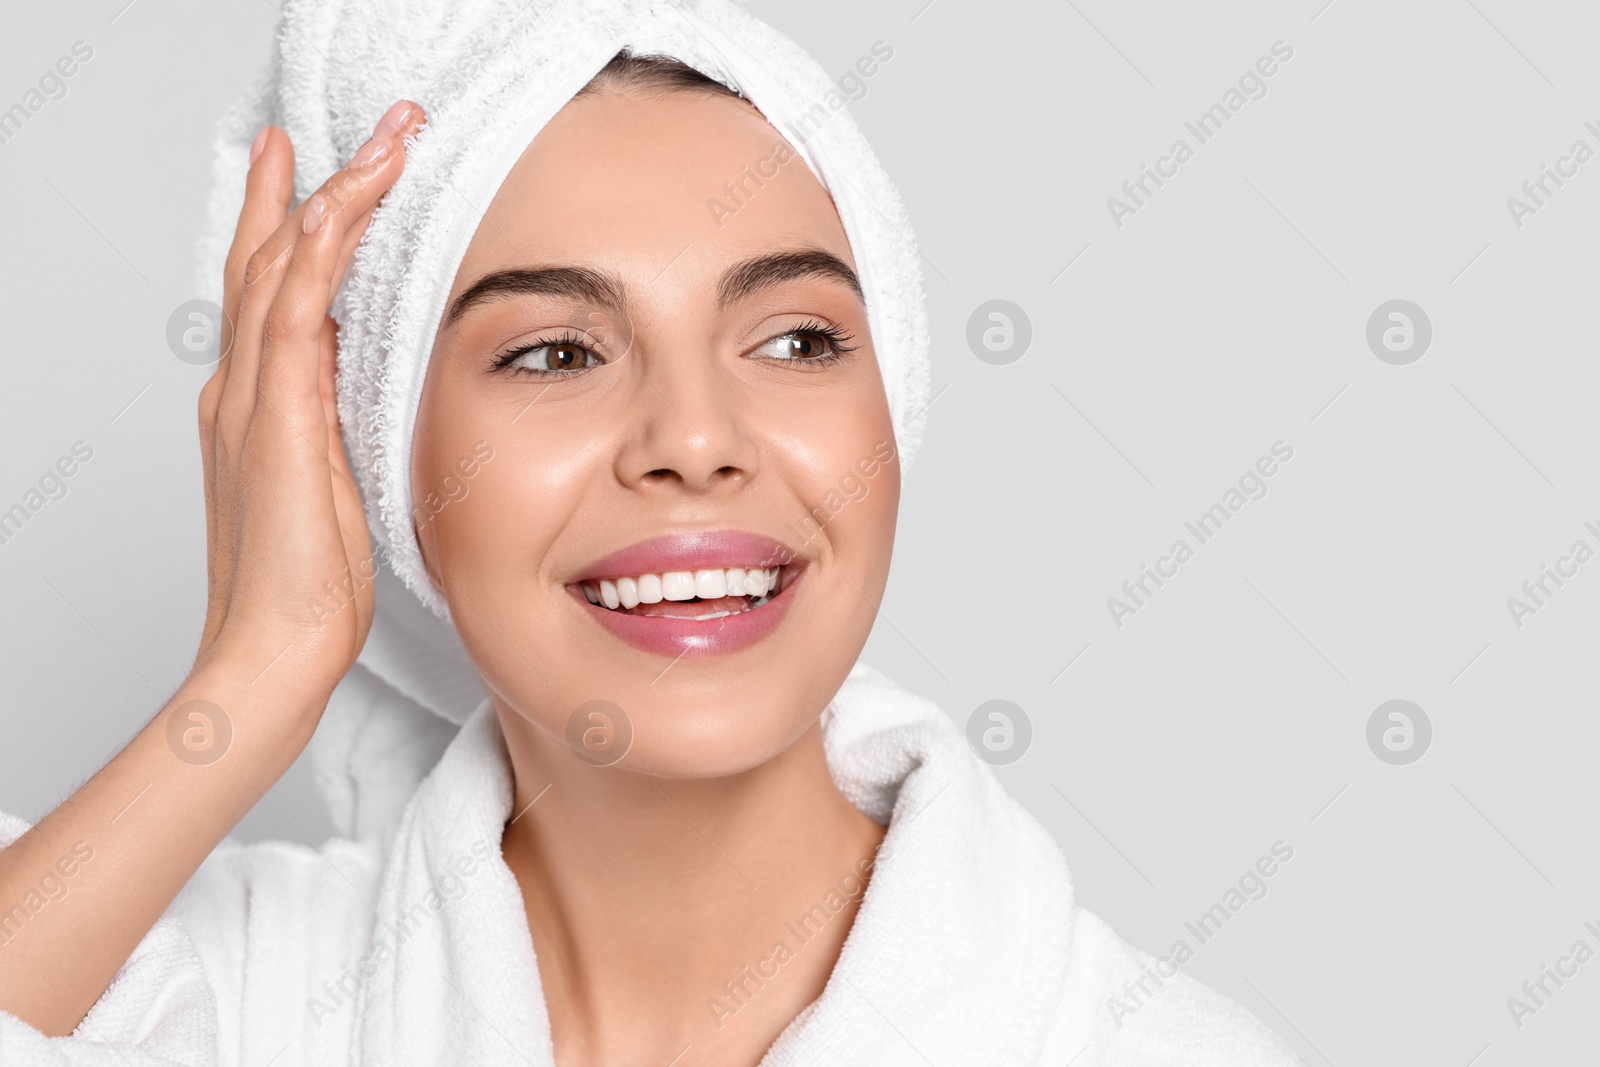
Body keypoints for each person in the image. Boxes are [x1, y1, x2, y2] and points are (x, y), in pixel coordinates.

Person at [0, 3, 1301, 1064]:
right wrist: (260, 669)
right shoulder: (248, 1007)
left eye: (796, 339)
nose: (693, 435)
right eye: (558, 351)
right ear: (379, 459)